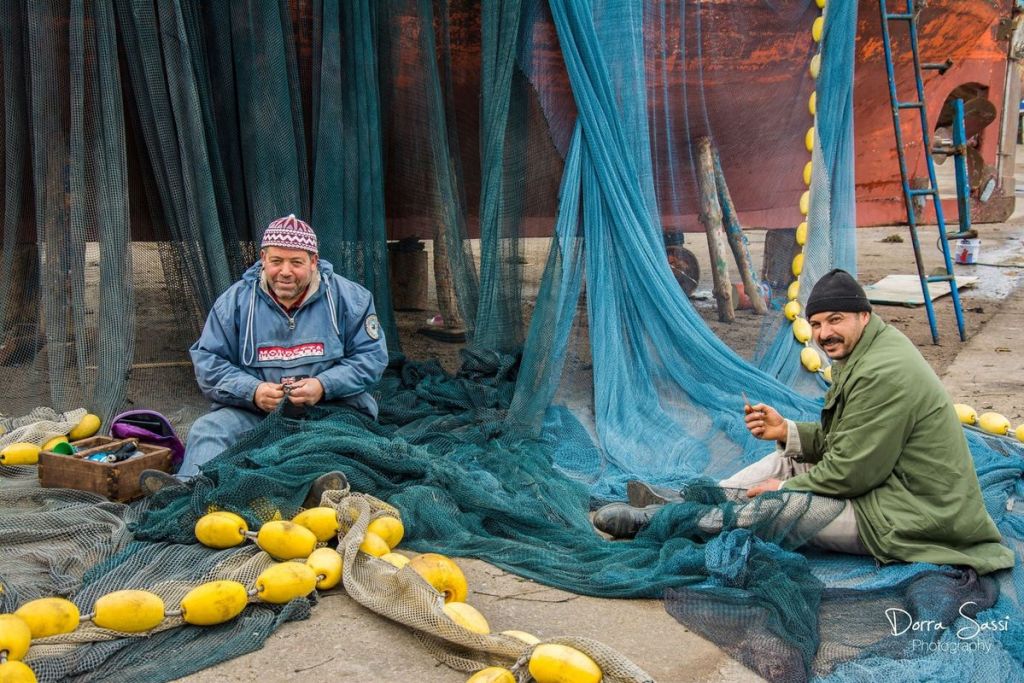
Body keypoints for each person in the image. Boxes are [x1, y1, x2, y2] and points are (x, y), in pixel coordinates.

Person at [594, 269, 1013, 574]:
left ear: (864, 316)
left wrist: (782, 490)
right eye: (816, 324)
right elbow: (848, 441)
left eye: (835, 320)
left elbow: (851, 473)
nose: (823, 333)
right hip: (885, 487)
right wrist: (787, 431)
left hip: (911, 515)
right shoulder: (869, 350)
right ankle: (697, 501)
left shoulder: (882, 373)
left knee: (782, 507)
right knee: (786, 459)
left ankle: (671, 521)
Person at [140, 215, 389, 497]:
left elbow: (371, 358)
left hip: (331, 411)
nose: (285, 272)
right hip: (254, 414)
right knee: (208, 430)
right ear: (263, 259)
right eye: (276, 261)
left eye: (296, 262)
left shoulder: (352, 299)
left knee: (340, 443)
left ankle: (317, 493)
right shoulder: (233, 303)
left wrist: (324, 385)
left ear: (313, 261)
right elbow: (209, 362)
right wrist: (253, 391)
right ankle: (186, 494)